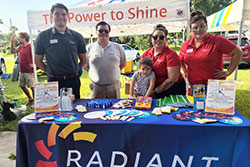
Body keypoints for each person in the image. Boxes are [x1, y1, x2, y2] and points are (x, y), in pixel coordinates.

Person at [179, 10, 243, 93]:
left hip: (214, 85)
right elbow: (180, 60)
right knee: (198, 105)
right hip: (195, 86)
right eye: (195, 28)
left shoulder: (217, 40)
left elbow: (238, 52)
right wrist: (185, 72)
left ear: (207, 27)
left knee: (214, 106)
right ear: (191, 30)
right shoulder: (186, 45)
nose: (199, 30)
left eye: (202, 26)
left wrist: (228, 72)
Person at [35, 3, 86, 99]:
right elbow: (38, 60)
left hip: (73, 80)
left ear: (67, 16)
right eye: (56, 14)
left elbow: (83, 59)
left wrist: (76, 70)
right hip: (53, 82)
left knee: (75, 108)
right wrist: (49, 71)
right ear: (51, 16)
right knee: (55, 110)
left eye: (63, 14)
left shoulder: (77, 36)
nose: (60, 17)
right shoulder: (43, 36)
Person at [141, 24, 186, 98]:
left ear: (165, 39)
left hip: (173, 90)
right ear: (151, 38)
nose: (158, 39)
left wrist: (155, 91)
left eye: (161, 37)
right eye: (155, 37)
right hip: (153, 89)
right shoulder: (146, 54)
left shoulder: (171, 55)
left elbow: (172, 79)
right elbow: (141, 73)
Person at [84, 21, 126, 99]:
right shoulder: (89, 48)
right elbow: (85, 66)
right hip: (97, 88)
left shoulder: (118, 47)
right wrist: (96, 73)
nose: (103, 33)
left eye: (106, 31)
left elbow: (123, 64)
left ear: (109, 33)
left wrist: (112, 72)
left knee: (115, 110)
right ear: (96, 32)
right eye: (100, 31)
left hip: (114, 87)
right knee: (96, 110)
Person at [11, 32, 35, 106]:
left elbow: (37, 56)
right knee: (22, 85)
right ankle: (30, 99)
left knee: (32, 87)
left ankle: (35, 102)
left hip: (29, 71)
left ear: (24, 38)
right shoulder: (20, 47)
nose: (18, 38)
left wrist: (34, 65)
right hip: (22, 70)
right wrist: (12, 42)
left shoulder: (30, 46)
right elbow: (13, 51)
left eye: (19, 37)